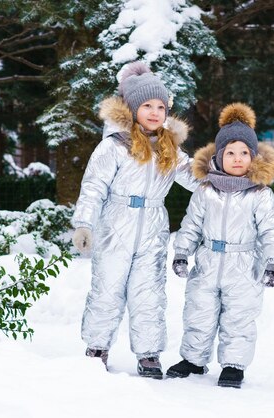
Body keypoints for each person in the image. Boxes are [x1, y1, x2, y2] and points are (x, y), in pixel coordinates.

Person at [70, 61, 198, 379]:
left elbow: (196, 176)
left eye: (161, 106)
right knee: (107, 288)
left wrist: (230, 175)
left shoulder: (171, 150)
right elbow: (93, 187)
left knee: (149, 291)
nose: (155, 112)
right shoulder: (113, 147)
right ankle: (97, 347)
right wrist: (84, 223)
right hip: (116, 222)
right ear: (132, 108)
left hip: (153, 225)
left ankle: (149, 353)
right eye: (147, 106)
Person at [166, 102, 274, 388]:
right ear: (218, 156)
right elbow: (191, 224)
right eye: (230, 152)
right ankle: (194, 359)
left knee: (239, 316)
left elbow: (272, 230)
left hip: (244, 265)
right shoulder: (206, 190)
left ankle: (233, 364)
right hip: (207, 262)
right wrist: (182, 252)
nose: (237, 158)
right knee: (199, 311)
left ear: (253, 157)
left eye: (244, 153)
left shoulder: (260, 194)